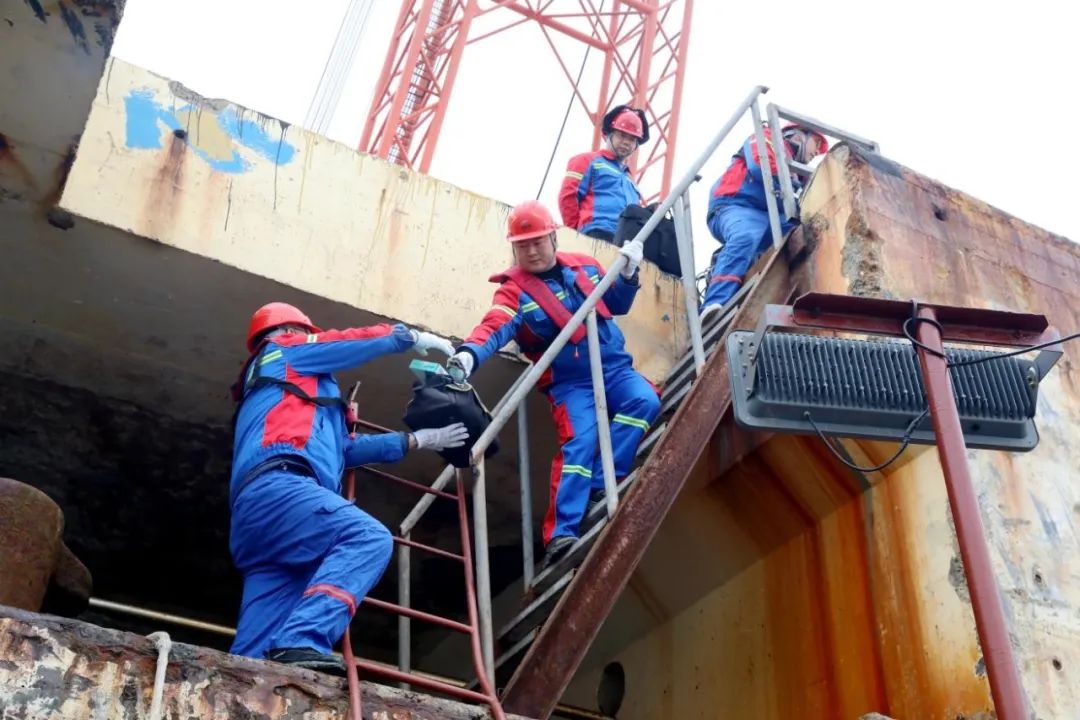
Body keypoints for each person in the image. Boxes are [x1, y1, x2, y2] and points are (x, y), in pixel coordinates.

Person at [229, 302, 467, 674]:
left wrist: (418, 440)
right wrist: (407, 336)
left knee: (252, 654)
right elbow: (347, 342)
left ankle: (239, 683)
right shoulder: (285, 350)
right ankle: (302, 638)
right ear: (289, 331)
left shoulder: (286, 394)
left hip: (257, 516)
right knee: (368, 538)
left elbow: (345, 451)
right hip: (283, 488)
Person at [447, 201, 660, 569]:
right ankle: (562, 532)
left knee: (645, 402)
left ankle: (603, 483)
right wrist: (469, 355)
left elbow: (617, 304)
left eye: (537, 242)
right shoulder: (513, 292)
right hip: (569, 382)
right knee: (580, 442)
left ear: (553, 238)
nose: (531, 251)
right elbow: (494, 326)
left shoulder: (586, 266)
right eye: (522, 245)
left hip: (613, 367)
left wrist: (628, 274)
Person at [701, 123, 829, 319]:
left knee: (804, 232)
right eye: (816, 143)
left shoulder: (798, 170)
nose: (816, 152)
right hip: (734, 205)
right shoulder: (767, 137)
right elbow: (761, 167)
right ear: (798, 134)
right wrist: (793, 186)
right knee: (745, 236)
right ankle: (714, 304)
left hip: (769, 216)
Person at [558, 105, 649, 242]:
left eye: (632, 139)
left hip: (626, 242)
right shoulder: (586, 161)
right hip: (596, 234)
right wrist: (576, 236)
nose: (626, 142)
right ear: (608, 135)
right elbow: (568, 197)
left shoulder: (630, 181)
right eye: (622, 135)